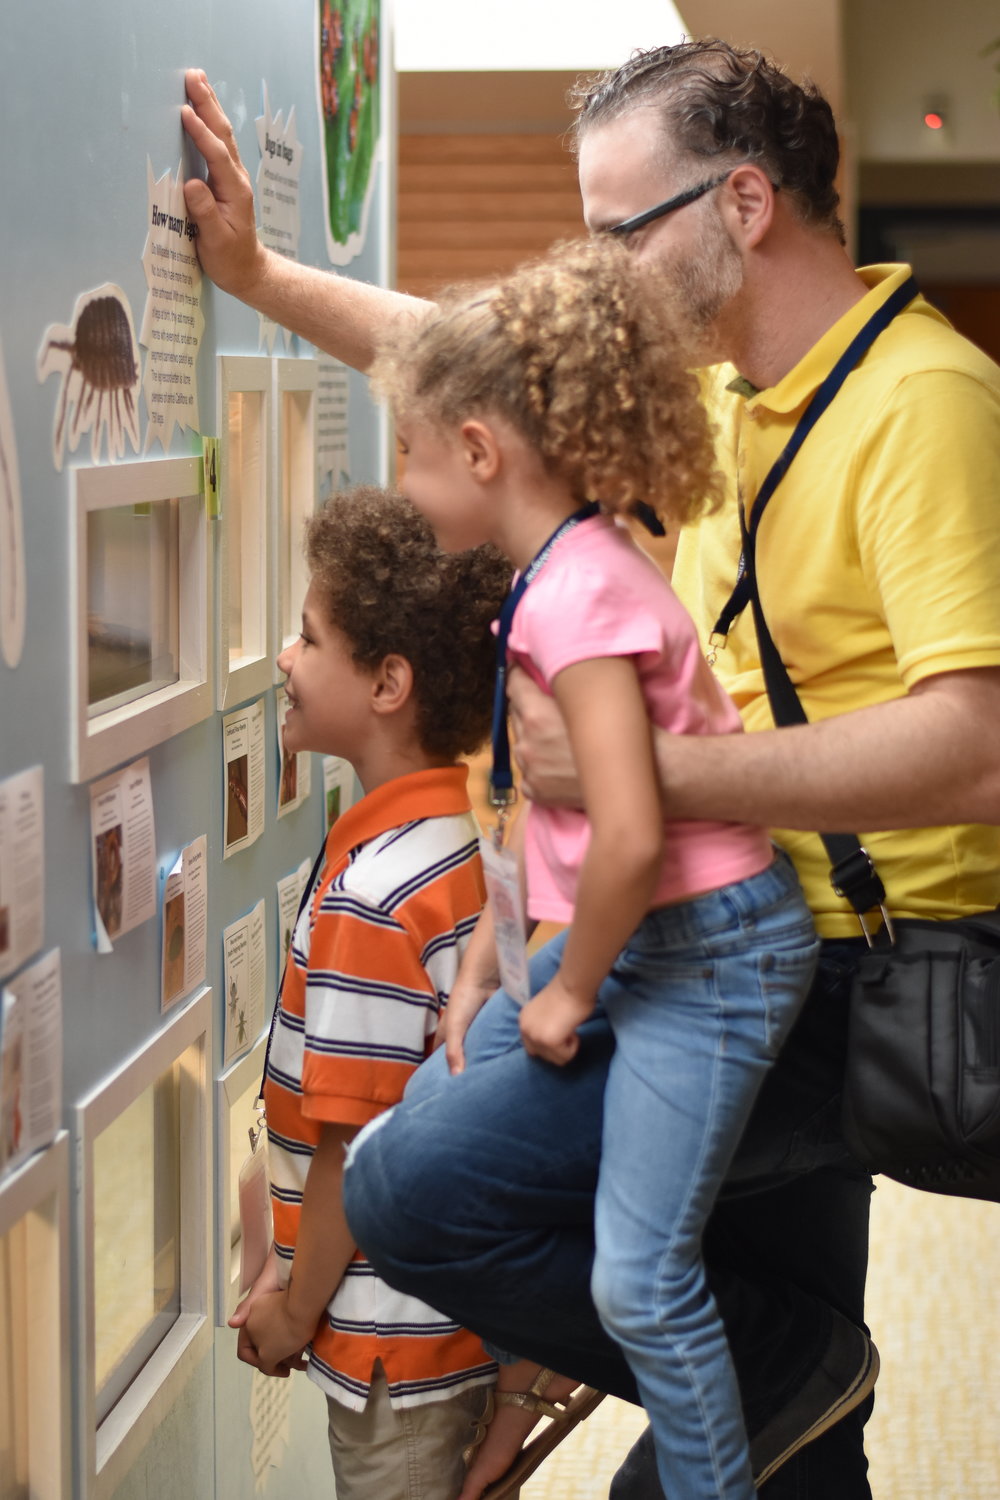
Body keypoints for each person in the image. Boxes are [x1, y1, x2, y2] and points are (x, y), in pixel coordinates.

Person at [181, 39, 1000, 1500]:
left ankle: (778, 1377)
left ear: (743, 202)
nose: (599, 274)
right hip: (736, 918)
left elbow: (979, 748)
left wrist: (657, 779)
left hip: (854, 971)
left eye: (622, 231)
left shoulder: (925, 404)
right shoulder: (740, 396)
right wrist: (256, 279)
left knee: (419, 1187)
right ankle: (784, 1386)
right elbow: (461, 363)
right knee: (788, 1447)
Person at [369, 237, 821, 1500]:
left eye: (408, 452)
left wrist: (565, 992)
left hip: (709, 958)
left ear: (477, 450)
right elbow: (552, 815)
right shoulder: (556, 572)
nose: (402, 485)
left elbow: (626, 832)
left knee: (639, 1279)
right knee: (449, 1146)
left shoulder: (579, 595)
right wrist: (493, 963)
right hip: (645, 936)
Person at [233, 483, 513, 1500]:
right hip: (448, 1328)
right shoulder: (453, 843)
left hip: (394, 1351)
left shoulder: (374, 897)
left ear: (388, 682)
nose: (285, 659)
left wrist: (291, 1312)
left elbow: (353, 1147)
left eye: (310, 639)